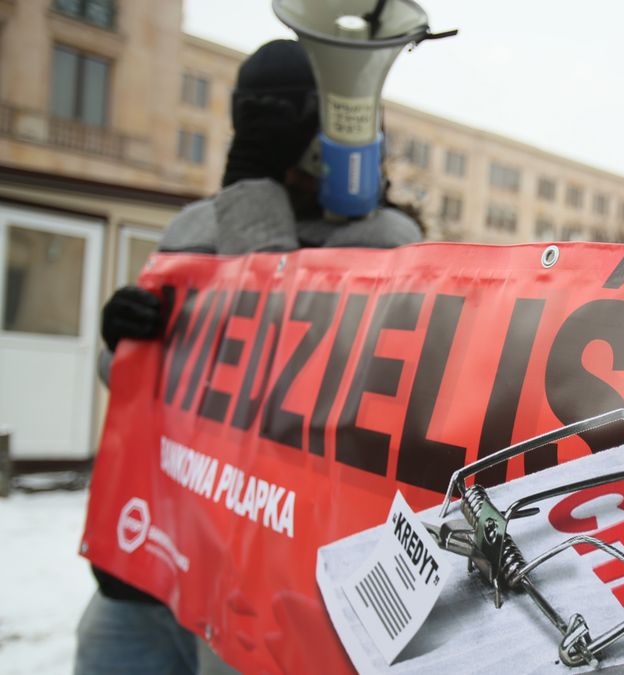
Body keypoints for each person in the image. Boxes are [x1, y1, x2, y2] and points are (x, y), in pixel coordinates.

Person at [77, 40, 422, 675]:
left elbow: (289, 381)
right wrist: (123, 345)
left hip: (252, 582)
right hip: (145, 558)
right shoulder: (192, 225)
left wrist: (251, 199)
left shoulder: (384, 240)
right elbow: (129, 388)